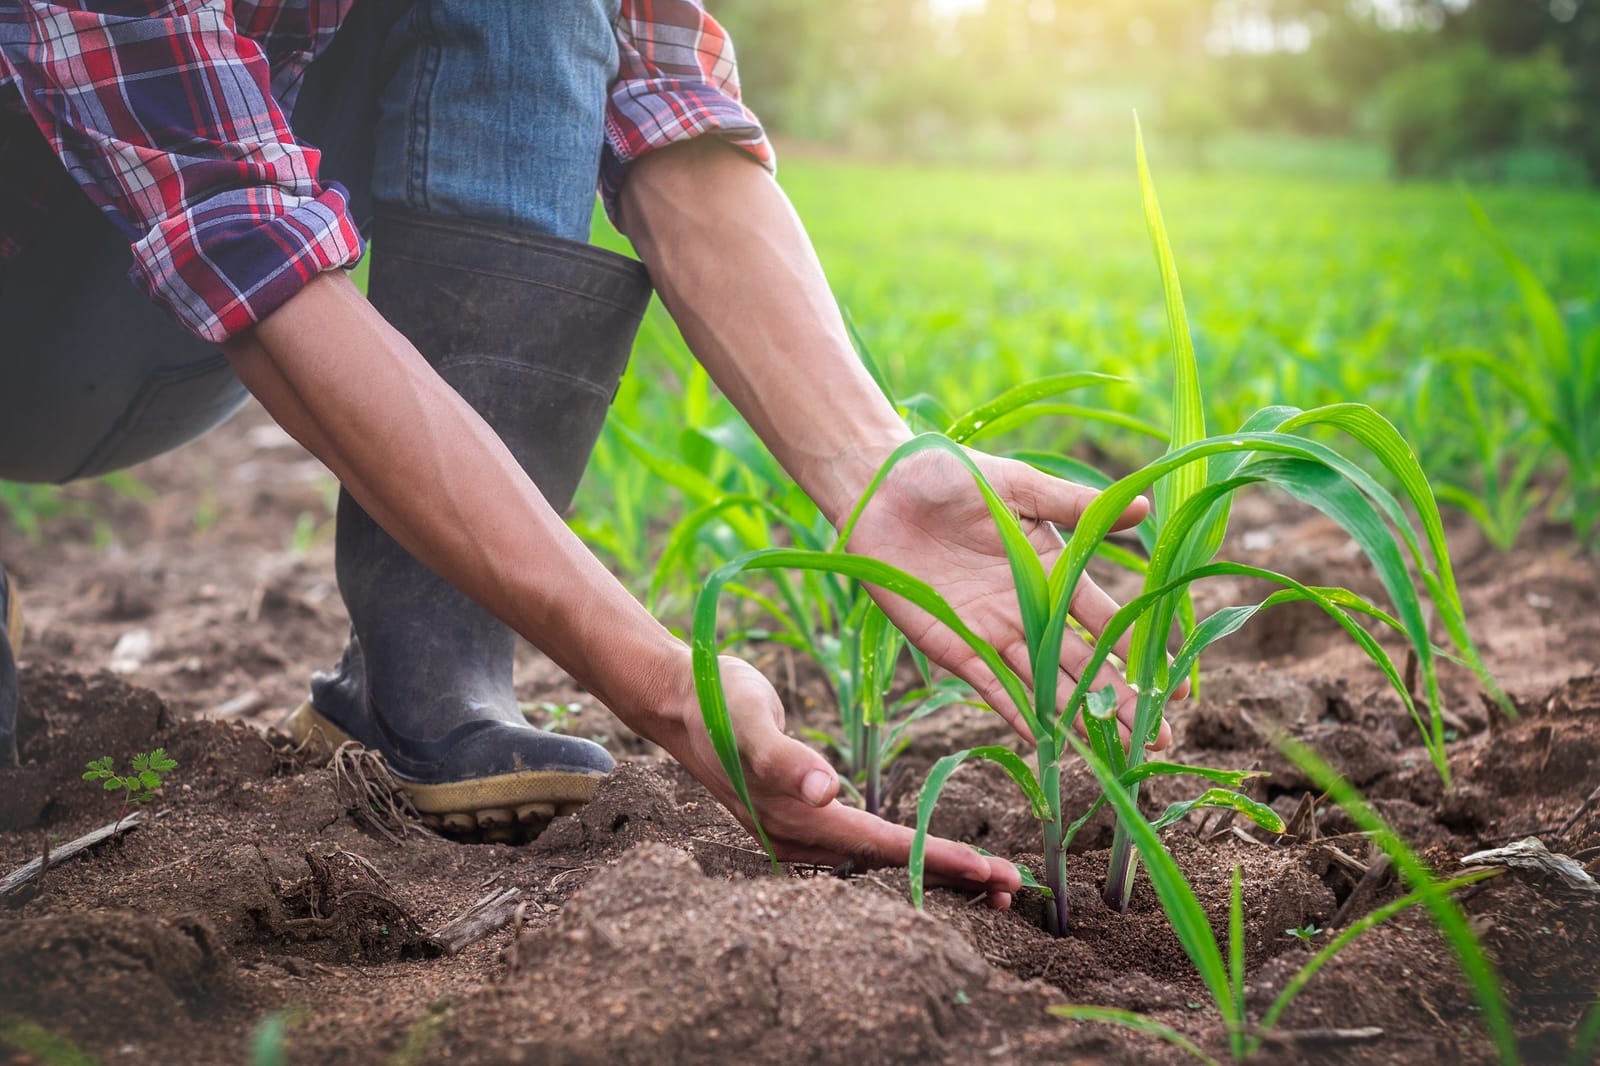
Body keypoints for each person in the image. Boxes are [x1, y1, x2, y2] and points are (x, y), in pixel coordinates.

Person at [0, 0, 1169, 905]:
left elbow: (659, 96)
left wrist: (877, 466)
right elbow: (237, 237)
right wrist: (666, 683)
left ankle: (427, 673)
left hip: (173, 306)